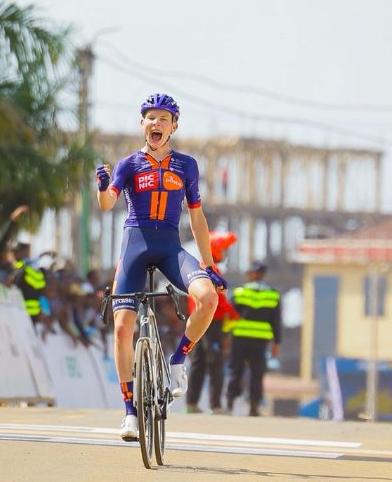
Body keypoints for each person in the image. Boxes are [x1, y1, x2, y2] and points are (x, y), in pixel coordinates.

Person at [96, 92, 229, 441]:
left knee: (208, 298)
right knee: (122, 329)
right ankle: (129, 412)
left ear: (174, 127)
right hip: (135, 247)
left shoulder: (186, 165)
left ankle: (178, 359)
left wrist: (209, 264)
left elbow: (197, 217)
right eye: (151, 118)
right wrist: (102, 187)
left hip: (170, 248)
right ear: (142, 123)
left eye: (164, 119)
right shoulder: (128, 164)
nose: (156, 124)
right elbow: (107, 203)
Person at [185, 231, 240, 414]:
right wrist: (234, 314)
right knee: (215, 362)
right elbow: (220, 302)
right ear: (215, 250)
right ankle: (216, 405)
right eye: (223, 249)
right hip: (212, 323)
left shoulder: (196, 269)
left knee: (198, 362)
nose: (225, 253)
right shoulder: (212, 272)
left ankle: (191, 403)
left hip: (197, 321)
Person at [225, 260, 282, 417]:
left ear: (253, 273)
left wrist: (226, 335)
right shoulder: (272, 294)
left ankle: (229, 405)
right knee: (257, 373)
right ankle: (254, 408)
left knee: (235, 370)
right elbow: (276, 321)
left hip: (240, 338)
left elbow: (230, 316)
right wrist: (277, 343)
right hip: (260, 341)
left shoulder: (239, 292)